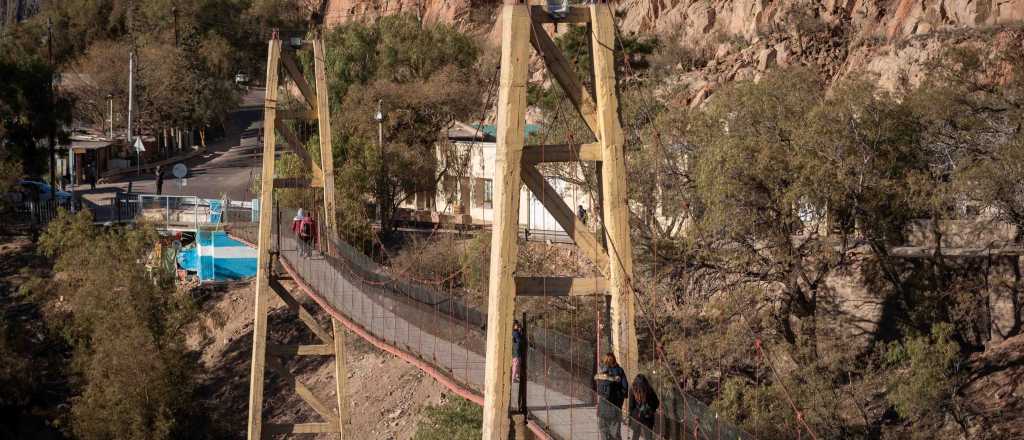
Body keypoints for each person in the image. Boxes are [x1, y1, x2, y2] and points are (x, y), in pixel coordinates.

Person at [595, 352, 628, 440]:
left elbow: (598, 389)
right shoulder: (619, 371)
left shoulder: (601, 372)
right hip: (615, 408)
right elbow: (625, 389)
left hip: (603, 408)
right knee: (615, 433)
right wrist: (619, 401)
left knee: (604, 432)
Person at [628, 374, 660, 440]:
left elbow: (631, 406)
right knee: (645, 436)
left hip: (642, 416)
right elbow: (656, 403)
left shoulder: (634, 390)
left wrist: (631, 417)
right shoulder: (648, 389)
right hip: (643, 417)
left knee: (636, 436)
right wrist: (651, 410)